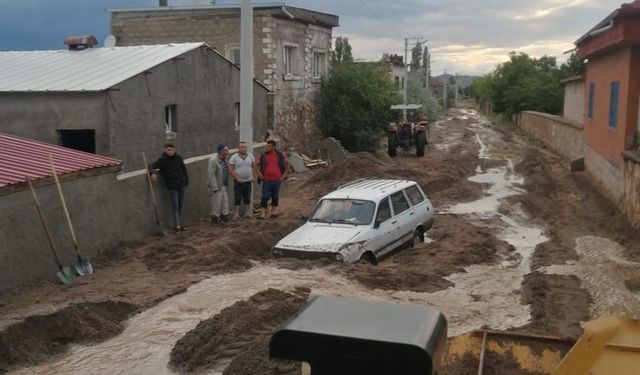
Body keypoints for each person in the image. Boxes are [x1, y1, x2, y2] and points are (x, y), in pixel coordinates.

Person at [149, 143, 189, 233]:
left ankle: (179, 223)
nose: (171, 152)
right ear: (165, 150)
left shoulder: (178, 158)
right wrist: (152, 173)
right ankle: (177, 225)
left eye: (172, 150)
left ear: (174, 150)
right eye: (169, 150)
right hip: (172, 186)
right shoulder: (162, 160)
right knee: (175, 206)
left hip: (181, 184)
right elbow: (151, 166)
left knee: (180, 205)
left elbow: (184, 169)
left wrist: (186, 181)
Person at [255, 140, 290, 219]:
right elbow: (255, 164)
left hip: (277, 180)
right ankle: (263, 214)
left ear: (273, 147)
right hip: (266, 180)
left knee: (275, 196)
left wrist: (284, 174)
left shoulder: (280, 155)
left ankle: (274, 212)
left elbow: (288, 163)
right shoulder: (263, 155)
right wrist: (259, 174)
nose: (267, 147)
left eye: (269, 146)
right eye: (266, 146)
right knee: (265, 197)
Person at [228, 141, 256, 220]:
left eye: (245, 147)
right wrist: (237, 177)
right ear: (239, 148)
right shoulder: (234, 157)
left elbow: (254, 166)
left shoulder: (250, 156)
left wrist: (253, 176)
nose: (243, 149)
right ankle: (236, 214)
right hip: (239, 182)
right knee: (238, 197)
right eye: (242, 147)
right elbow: (230, 168)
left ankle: (247, 213)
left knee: (247, 197)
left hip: (248, 181)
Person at [208, 144, 230, 224]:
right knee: (216, 202)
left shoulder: (225, 159)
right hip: (217, 185)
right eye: (226, 150)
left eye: (227, 150)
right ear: (221, 151)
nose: (227, 152)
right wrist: (214, 187)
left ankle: (224, 215)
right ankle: (215, 217)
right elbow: (211, 174)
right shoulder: (213, 160)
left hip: (223, 184)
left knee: (225, 200)